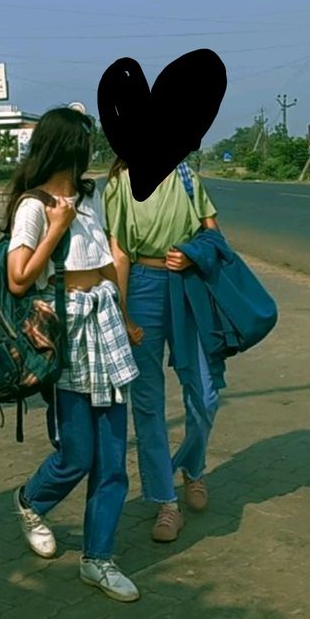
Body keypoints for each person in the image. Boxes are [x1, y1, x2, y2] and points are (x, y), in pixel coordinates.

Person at [6, 107, 143, 603]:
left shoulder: (91, 197)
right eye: (84, 141)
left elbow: (108, 262)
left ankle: (98, 559)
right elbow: (19, 278)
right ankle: (30, 500)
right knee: (77, 453)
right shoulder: (34, 206)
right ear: (66, 146)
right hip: (67, 336)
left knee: (112, 460)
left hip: (105, 325)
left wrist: (125, 319)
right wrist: (57, 227)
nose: (90, 150)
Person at [104, 157, 220, 544]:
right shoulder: (120, 183)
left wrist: (191, 254)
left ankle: (193, 465)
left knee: (204, 394)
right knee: (149, 403)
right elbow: (118, 252)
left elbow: (214, 236)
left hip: (187, 287)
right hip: (141, 289)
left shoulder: (188, 176)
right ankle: (166, 502)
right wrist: (122, 314)